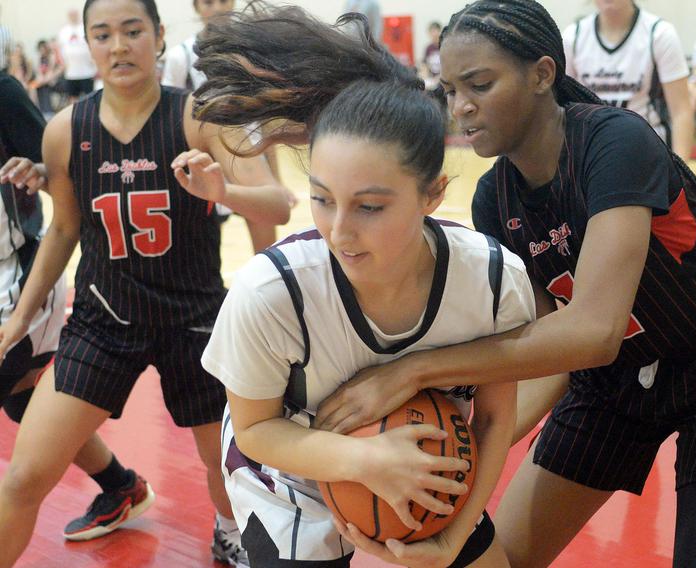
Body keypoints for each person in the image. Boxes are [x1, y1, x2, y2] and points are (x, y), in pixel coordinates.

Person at [314, 1, 696, 567]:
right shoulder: (495, 199)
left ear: (542, 74)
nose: (460, 107)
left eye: (480, 84)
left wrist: (410, 372)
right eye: (450, 89)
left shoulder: (616, 144)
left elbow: (593, 329)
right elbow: (552, 352)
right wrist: (450, 457)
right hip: (609, 389)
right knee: (498, 560)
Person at [191, 6, 532, 566]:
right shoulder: (270, 292)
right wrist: (366, 461)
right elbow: (254, 431)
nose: (340, 231)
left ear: (433, 195)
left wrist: (454, 535)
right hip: (289, 468)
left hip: (422, 462)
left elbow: (494, 420)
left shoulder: (494, 281)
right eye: (322, 198)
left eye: (369, 206)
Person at [0, 1, 291, 566]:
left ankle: (229, 530)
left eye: (132, 31)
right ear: (86, 43)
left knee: (223, 465)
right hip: (103, 319)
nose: (118, 46)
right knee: (24, 476)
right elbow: (62, 229)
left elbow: (278, 204)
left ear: (157, 37)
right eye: (102, 34)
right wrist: (17, 320)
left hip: (196, 318)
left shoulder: (199, 116)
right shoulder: (66, 130)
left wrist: (221, 192)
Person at [1, 70, 155, 550]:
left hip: (15, 275)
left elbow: (59, 178)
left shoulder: (3, 93)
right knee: (25, 395)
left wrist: (38, 176)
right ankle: (120, 486)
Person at [162, 0, 296, 253]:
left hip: (252, 159)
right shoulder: (181, 56)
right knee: (204, 251)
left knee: (267, 253)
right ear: (197, 7)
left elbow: (267, 122)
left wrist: (277, 181)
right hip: (205, 163)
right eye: (208, 2)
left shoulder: (254, 51)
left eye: (223, 1)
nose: (217, 9)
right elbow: (170, 116)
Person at [562, 0, 693, 158]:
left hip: (648, 149)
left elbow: (681, 111)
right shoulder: (572, 37)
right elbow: (563, 109)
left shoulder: (659, 33)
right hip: (591, 151)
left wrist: (683, 174)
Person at [57, 8, 97, 102]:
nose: (73, 17)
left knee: (90, 97)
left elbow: (93, 44)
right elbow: (59, 49)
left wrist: (94, 60)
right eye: (71, 15)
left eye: (75, 14)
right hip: (71, 72)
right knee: (73, 98)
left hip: (87, 71)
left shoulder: (85, 28)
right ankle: (75, 115)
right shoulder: (64, 31)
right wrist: (63, 64)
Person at [31, 40, 66, 115]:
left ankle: (48, 111)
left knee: (44, 86)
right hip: (44, 81)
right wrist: (40, 80)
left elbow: (51, 71)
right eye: (40, 50)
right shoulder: (39, 58)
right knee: (39, 87)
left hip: (54, 81)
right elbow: (39, 72)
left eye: (43, 49)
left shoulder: (52, 56)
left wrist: (42, 81)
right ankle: (43, 110)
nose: (42, 51)